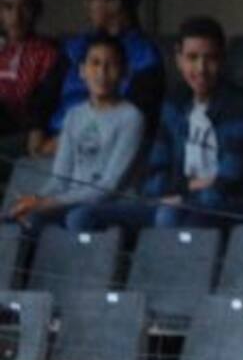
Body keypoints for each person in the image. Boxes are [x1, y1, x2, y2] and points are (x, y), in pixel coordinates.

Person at [68, 16, 243, 232]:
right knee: (82, 216)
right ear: (179, 59)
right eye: (192, 58)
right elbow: (153, 177)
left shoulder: (241, 110)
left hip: (221, 209)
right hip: (173, 202)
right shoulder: (174, 103)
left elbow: (229, 185)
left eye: (210, 58)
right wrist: (186, 186)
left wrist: (181, 194)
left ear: (223, 60)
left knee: (168, 215)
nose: (201, 68)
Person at [7, 37, 143, 234]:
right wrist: (35, 200)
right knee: (19, 216)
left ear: (125, 73)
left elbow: (109, 186)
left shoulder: (131, 117)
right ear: (82, 71)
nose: (102, 72)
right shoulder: (74, 116)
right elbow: (60, 180)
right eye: (95, 63)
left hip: (111, 204)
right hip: (71, 201)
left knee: (78, 217)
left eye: (111, 65)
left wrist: (48, 203)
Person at [35, 0, 163, 157]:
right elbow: (45, 94)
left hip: (96, 147)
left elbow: (133, 120)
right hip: (50, 137)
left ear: (115, 3)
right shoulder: (76, 46)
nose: (86, 4)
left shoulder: (145, 58)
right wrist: (35, 130)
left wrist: (68, 141)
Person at [0, 0, 62, 137]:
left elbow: (41, 106)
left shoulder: (47, 54)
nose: (16, 17)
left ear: (37, 9)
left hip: (21, 133)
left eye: (25, 7)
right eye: (8, 7)